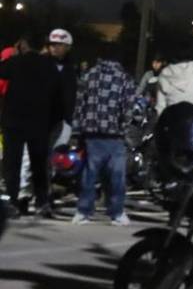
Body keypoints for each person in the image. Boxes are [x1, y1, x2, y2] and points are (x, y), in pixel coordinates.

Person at [71, 45, 137, 225]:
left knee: (89, 174)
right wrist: (123, 128)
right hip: (114, 134)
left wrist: (78, 129)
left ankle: (83, 212)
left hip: (91, 133)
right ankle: (117, 213)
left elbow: (79, 104)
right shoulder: (124, 78)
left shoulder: (89, 75)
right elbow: (128, 107)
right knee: (117, 176)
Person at [0, 36, 64, 219]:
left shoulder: (15, 62)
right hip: (39, 123)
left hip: (14, 121)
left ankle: (12, 203)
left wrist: (13, 55)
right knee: (38, 165)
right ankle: (42, 203)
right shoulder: (50, 66)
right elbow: (57, 96)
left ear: (22, 46)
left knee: (12, 164)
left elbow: (2, 71)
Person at [47, 29, 77, 150]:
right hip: (40, 118)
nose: (55, 47)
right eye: (52, 44)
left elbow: (71, 96)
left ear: (68, 47)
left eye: (59, 45)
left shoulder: (71, 69)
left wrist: (69, 120)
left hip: (62, 121)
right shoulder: (41, 65)